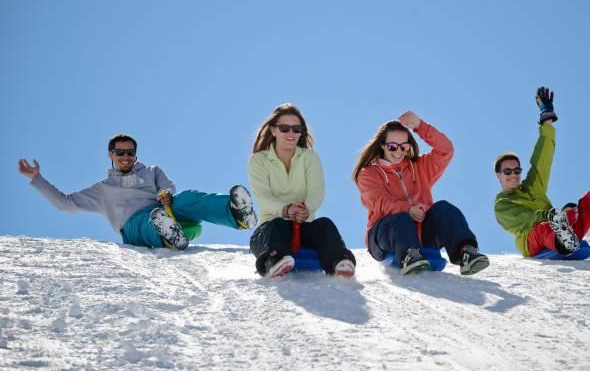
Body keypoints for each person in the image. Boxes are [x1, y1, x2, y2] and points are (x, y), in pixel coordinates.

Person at [18, 134, 257, 250]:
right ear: (110, 154)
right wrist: (37, 179)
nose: (126, 157)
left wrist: (164, 193)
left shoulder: (151, 171)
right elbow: (65, 203)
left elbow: (168, 186)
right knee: (146, 221)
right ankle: (166, 235)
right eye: (120, 153)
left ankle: (236, 214)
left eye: (130, 152)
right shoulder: (103, 189)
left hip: (164, 209)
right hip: (134, 226)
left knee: (188, 198)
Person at [493, 87, 590, 257]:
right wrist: (551, 215)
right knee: (544, 227)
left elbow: (543, 159)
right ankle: (562, 241)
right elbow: (525, 218)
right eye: (507, 171)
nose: (513, 174)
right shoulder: (502, 204)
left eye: (516, 170)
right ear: (498, 175)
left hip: (561, 229)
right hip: (532, 240)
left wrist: (547, 119)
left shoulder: (532, 187)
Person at [353, 111, 490, 275]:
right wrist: (407, 209)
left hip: (422, 233)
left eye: (404, 146)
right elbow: (379, 201)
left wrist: (419, 126)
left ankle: (465, 252)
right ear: (382, 145)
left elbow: (446, 149)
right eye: (392, 146)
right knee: (401, 218)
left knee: (443, 208)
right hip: (385, 235)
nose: (398, 151)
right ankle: (409, 255)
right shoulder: (369, 173)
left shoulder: (418, 167)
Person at [247, 103, 356, 278]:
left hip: (304, 224)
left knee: (324, 225)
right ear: (273, 130)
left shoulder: (309, 157)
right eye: (284, 128)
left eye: (296, 129)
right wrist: (286, 209)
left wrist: (306, 208)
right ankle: (275, 261)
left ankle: (339, 261)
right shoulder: (258, 160)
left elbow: (316, 191)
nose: (291, 134)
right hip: (271, 228)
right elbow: (263, 196)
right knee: (277, 225)